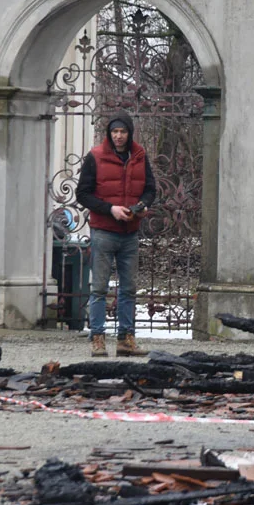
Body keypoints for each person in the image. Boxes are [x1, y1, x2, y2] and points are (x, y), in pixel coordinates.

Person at [76, 111, 155, 357]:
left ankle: (126, 340)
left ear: (129, 133)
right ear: (109, 134)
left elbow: (151, 189)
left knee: (129, 289)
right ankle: (97, 339)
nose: (119, 136)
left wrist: (141, 206)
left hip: (130, 232)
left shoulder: (140, 157)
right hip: (104, 231)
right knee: (99, 288)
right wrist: (110, 209)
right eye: (114, 132)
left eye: (123, 132)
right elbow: (83, 194)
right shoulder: (95, 157)